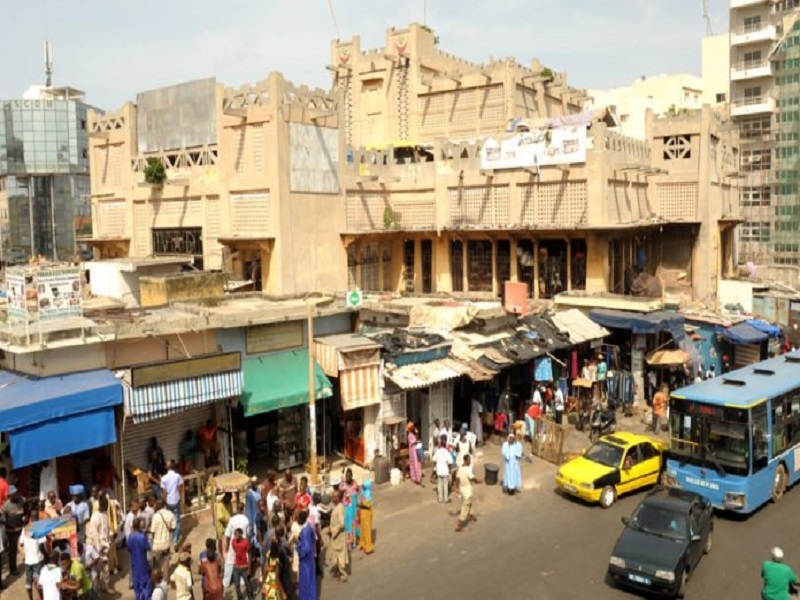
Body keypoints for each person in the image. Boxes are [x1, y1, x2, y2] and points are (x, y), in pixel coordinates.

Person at [21, 509, 49, 600]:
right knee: (40, 581)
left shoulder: (25, 528)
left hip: (28, 560)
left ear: (30, 518)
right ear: (37, 517)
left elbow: (21, 543)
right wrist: (47, 556)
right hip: (38, 559)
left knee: (28, 582)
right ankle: (41, 598)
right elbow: (41, 546)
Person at [86, 496, 110, 594]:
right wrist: (98, 547)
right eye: (106, 505)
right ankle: (96, 589)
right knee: (98, 569)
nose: (107, 507)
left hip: (105, 545)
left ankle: (104, 586)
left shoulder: (104, 515)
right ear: (102, 505)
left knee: (105, 568)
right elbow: (94, 533)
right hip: (98, 547)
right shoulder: (95, 517)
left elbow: (106, 529)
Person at [160, 460, 184, 550]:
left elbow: (164, 492)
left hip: (169, 501)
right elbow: (180, 488)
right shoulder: (177, 476)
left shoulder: (164, 478)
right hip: (176, 500)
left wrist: (165, 502)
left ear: (167, 467)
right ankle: (175, 541)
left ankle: (169, 539)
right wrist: (181, 499)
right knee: (177, 520)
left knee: (170, 520)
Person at [149, 499, 175, 576]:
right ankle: (165, 579)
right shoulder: (170, 514)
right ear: (164, 505)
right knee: (166, 561)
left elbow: (152, 531)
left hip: (157, 545)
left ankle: (157, 580)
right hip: (166, 543)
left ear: (157, 506)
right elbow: (173, 528)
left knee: (156, 564)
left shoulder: (155, 516)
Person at [126, 517, 151, 600]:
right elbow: (147, 548)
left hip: (134, 564)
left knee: (137, 588)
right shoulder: (143, 537)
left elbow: (128, 548)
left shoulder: (130, 536)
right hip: (143, 564)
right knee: (146, 588)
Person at [455, 454, 479, 532]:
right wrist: (478, 481)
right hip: (467, 491)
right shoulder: (468, 469)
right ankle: (459, 524)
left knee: (470, 504)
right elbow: (472, 478)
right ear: (465, 460)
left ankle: (471, 517)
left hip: (462, 490)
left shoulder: (460, 468)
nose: (470, 462)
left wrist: (457, 487)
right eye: (469, 460)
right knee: (465, 508)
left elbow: (457, 478)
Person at [328, 492, 349, 582]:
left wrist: (333, 531)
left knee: (340, 554)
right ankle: (339, 572)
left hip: (338, 536)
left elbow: (342, 524)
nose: (332, 498)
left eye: (334, 497)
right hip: (335, 535)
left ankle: (344, 575)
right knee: (336, 553)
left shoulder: (339, 508)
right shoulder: (336, 507)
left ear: (338, 498)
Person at [295, 510, 316, 600]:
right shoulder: (308, 527)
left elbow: (305, 549)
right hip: (309, 559)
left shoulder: (305, 531)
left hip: (306, 562)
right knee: (310, 581)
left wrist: (297, 544)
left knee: (306, 583)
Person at [4, 487, 24, 577]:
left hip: (21, 528)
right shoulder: (6, 506)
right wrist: (11, 526)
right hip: (11, 531)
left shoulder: (21, 500)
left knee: (25, 546)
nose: (15, 495)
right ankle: (13, 569)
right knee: (13, 551)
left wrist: (25, 518)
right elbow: (3, 519)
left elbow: (26, 506)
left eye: (16, 493)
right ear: (9, 495)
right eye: (13, 494)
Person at [338, 468, 360, 550]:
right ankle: (349, 543)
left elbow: (357, 491)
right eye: (346, 475)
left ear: (352, 476)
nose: (347, 477)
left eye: (349, 475)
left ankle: (354, 542)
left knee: (355, 524)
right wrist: (341, 492)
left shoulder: (355, 483)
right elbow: (339, 496)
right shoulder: (342, 485)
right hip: (347, 509)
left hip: (354, 508)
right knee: (348, 526)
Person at [229, 528, 253, 600]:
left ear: (241, 534)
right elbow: (234, 550)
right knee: (236, 585)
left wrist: (249, 569)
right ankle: (240, 598)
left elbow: (249, 555)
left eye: (236, 534)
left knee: (248, 584)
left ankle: (250, 597)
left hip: (244, 567)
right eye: (234, 534)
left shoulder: (246, 542)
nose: (235, 536)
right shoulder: (233, 542)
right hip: (236, 567)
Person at [433, 435, 453, 504]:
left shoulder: (438, 452)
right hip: (445, 471)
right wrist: (450, 469)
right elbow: (450, 462)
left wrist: (436, 466)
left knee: (439, 485)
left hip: (439, 471)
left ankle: (440, 499)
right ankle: (446, 499)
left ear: (440, 444)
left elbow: (433, 460)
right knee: (445, 485)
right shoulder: (447, 452)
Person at [358, 479, 374, 555]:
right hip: (362, 512)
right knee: (362, 528)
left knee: (367, 530)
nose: (362, 486)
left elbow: (367, 505)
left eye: (364, 485)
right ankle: (363, 544)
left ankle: (368, 547)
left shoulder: (368, 493)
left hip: (367, 513)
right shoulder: (363, 492)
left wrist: (359, 505)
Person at [245, 477, 261, 542]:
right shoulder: (249, 493)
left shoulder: (258, 490)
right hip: (253, 516)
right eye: (253, 483)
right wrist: (250, 521)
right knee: (253, 533)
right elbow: (248, 508)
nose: (255, 485)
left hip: (259, 514)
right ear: (251, 484)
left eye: (256, 483)